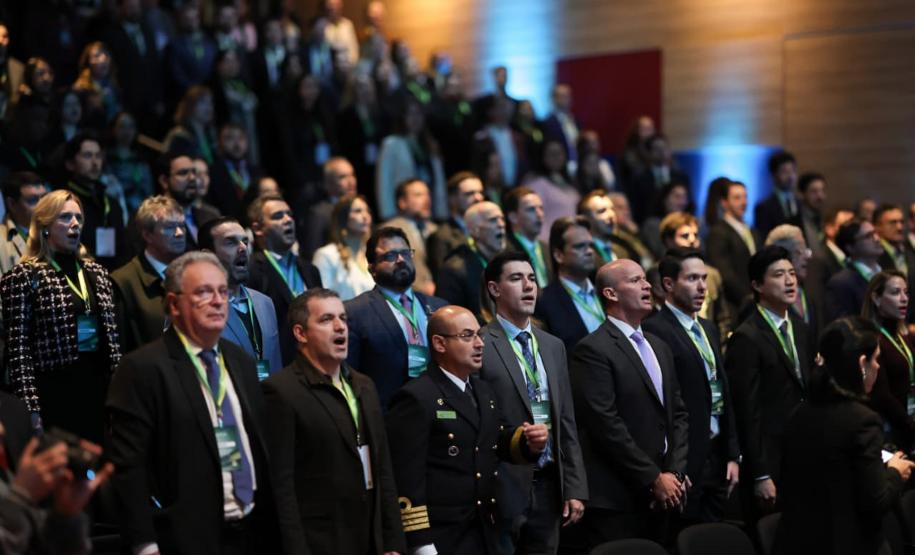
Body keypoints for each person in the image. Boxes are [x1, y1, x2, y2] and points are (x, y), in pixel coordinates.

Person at [106, 251, 284, 555]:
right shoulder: (142, 368)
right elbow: (128, 469)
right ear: (174, 304)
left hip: (253, 532)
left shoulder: (240, 361)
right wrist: (145, 545)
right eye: (203, 292)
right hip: (186, 537)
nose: (217, 301)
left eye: (222, 291)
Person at [385, 305, 549, 555]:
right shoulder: (417, 397)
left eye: (479, 335)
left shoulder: (482, 391)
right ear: (439, 344)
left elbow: (494, 442)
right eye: (467, 336)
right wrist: (420, 542)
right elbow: (407, 478)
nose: (479, 343)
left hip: (486, 528)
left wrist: (528, 442)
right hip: (443, 536)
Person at [262, 288, 405, 554]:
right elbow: (282, 489)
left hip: (371, 537)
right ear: (300, 333)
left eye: (343, 318)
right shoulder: (281, 391)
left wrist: (393, 541)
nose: (340, 327)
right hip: (321, 541)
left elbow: (383, 469)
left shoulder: (364, 385)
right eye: (326, 320)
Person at [568, 258, 689, 547]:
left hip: (667, 494)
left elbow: (679, 414)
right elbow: (606, 424)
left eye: (646, 279)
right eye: (635, 281)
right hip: (619, 499)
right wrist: (652, 478)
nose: (648, 285)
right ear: (611, 294)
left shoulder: (658, 346)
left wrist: (675, 472)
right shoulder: (592, 350)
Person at [774, 317, 915, 555]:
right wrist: (894, 472)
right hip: (845, 543)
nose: (878, 367)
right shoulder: (862, 421)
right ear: (862, 363)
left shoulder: (799, 413)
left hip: (797, 542)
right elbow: (875, 501)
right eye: (876, 359)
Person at [480, 252, 588, 553]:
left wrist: (575, 486)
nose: (529, 286)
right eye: (516, 279)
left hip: (551, 484)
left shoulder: (553, 345)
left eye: (531, 278)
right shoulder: (481, 344)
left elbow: (566, 419)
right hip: (503, 486)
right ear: (494, 289)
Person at [0, 190, 121, 442]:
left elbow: (113, 342)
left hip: (98, 389)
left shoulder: (96, 272)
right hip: (53, 392)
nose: (75, 224)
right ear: (45, 225)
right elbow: (18, 350)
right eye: (65, 217)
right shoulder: (24, 276)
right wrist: (30, 408)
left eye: (78, 217)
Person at [643, 248, 740, 524]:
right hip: (686, 461)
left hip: (718, 454)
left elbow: (723, 390)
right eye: (692, 278)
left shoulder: (708, 327)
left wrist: (732, 454)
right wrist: (674, 467)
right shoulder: (655, 330)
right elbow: (663, 406)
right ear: (668, 284)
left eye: (705, 278)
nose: (702, 287)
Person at [725, 245, 812, 527]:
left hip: (802, 450)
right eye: (778, 275)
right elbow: (747, 411)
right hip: (770, 458)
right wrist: (761, 473)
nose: (789, 281)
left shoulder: (800, 327)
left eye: (791, 273)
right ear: (757, 285)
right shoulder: (746, 337)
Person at [345, 226, 448, 408]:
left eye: (405, 253)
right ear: (372, 268)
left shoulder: (440, 308)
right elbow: (349, 377)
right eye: (390, 256)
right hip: (388, 415)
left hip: (441, 412)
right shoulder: (354, 312)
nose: (400, 260)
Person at [0, 426, 114, 555]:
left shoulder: (5, 478)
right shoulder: (14, 491)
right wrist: (20, 497)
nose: (2, 429)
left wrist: (65, 516)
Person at [198, 217, 283, 378]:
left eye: (245, 241)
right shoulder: (196, 308)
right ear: (208, 256)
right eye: (231, 242)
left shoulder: (265, 302)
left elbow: (275, 363)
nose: (243, 247)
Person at [247, 194, 323, 364]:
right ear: (258, 228)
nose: (288, 219)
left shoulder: (310, 270)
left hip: (315, 363)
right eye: (277, 216)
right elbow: (253, 333)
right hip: (278, 367)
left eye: (289, 214)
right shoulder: (252, 270)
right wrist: (263, 375)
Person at [111, 195, 186, 353]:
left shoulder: (192, 274)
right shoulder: (123, 281)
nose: (180, 233)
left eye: (182, 226)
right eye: (170, 227)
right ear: (147, 235)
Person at [861, 271, 914, 450]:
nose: (904, 298)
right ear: (876, 298)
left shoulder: (905, 335)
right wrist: (910, 424)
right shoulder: (871, 339)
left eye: (906, 292)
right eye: (895, 292)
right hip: (892, 431)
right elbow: (881, 395)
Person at [534, 216, 602, 355]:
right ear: (559, 255)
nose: (589, 251)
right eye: (580, 246)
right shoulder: (544, 302)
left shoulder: (606, 290)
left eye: (590, 245)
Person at [63, 132, 127, 269]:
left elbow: (122, 249)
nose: (95, 162)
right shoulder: (62, 203)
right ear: (70, 164)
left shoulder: (111, 204)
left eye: (98, 156)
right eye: (87, 155)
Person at [376, 98, 447, 221]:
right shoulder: (392, 144)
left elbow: (438, 181)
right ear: (402, 117)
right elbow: (384, 181)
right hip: (402, 211)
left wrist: (442, 211)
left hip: (430, 209)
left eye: (419, 114)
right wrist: (388, 213)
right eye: (411, 114)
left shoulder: (430, 144)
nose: (416, 118)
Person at [436, 201, 506, 320]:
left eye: (502, 219)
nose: (501, 224)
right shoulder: (454, 270)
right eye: (493, 220)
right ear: (475, 231)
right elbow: (450, 319)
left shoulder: (507, 262)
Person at [706, 180, 758, 316]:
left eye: (745, 196)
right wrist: (748, 296)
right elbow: (725, 272)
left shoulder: (752, 230)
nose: (743, 202)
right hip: (735, 304)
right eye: (737, 197)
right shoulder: (718, 231)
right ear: (724, 202)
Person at [765, 224, 822, 346]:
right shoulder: (768, 302)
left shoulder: (809, 293)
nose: (808, 256)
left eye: (806, 249)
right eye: (799, 251)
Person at [312, 194, 376, 301]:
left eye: (367, 211)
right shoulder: (326, 255)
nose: (365, 216)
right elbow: (321, 300)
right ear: (342, 218)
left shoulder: (373, 255)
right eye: (358, 211)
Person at [153, 151, 220, 250]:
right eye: (183, 173)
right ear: (164, 181)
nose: (192, 178)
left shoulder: (210, 216)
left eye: (194, 172)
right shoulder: (152, 219)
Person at [384, 179, 438, 296]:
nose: (427, 199)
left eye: (428, 194)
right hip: (407, 296)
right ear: (402, 202)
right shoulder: (390, 231)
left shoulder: (435, 229)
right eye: (418, 195)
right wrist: (420, 288)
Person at [299, 157, 358, 261]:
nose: (351, 181)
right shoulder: (319, 214)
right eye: (342, 177)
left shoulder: (361, 208)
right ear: (327, 184)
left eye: (352, 175)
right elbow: (312, 253)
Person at [427, 172, 484, 276]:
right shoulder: (442, 236)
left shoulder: (488, 229)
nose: (478, 198)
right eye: (469, 194)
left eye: (480, 192)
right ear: (452, 199)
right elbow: (444, 277)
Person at [523, 140, 579, 243]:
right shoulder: (536, 183)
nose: (556, 157)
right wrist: (542, 243)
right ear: (543, 157)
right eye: (551, 154)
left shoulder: (569, 182)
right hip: (548, 241)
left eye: (559, 153)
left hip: (570, 241)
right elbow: (533, 217)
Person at [826, 219, 883, 321]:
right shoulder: (841, 283)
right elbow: (844, 327)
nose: (877, 239)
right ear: (850, 247)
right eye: (869, 236)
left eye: (876, 233)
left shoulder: (886, 272)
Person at [207, 124, 263, 222]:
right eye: (229, 138)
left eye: (241, 138)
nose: (237, 144)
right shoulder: (213, 172)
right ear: (219, 142)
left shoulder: (256, 171)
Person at [874, 203, 915, 323]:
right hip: (887, 326)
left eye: (901, 222)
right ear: (877, 227)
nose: (899, 227)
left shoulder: (910, 251)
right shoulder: (874, 257)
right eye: (893, 222)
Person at [504, 187, 552, 289]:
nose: (539, 214)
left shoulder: (547, 248)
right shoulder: (506, 251)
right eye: (531, 209)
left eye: (541, 208)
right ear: (513, 217)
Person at [0, 172, 46, 275]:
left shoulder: (58, 231)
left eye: (45, 198)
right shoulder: (1, 241)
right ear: (12, 204)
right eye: (33, 200)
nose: (43, 206)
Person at [164, 86, 218, 166]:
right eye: (202, 102)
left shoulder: (210, 134)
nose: (209, 107)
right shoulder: (179, 135)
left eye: (210, 102)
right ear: (190, 105)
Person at [577, 191, 636, 264]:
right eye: (602, 211)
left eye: (612, 209)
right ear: (585, 218)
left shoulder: (623, 248)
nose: (611, 215)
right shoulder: (583, 253)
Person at [754, 150, 799, 239]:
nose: (790, 176)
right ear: (773, 175)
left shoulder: (800, 203)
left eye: (793, 171)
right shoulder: (764, 207)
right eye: (785, 172)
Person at [541, 84, 579, 164]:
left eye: (567, 96)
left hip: (577, 164)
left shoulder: (575, 121)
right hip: (559, 166)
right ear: (553, 99)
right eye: (561, 96)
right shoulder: (548, 123)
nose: (564, 99)